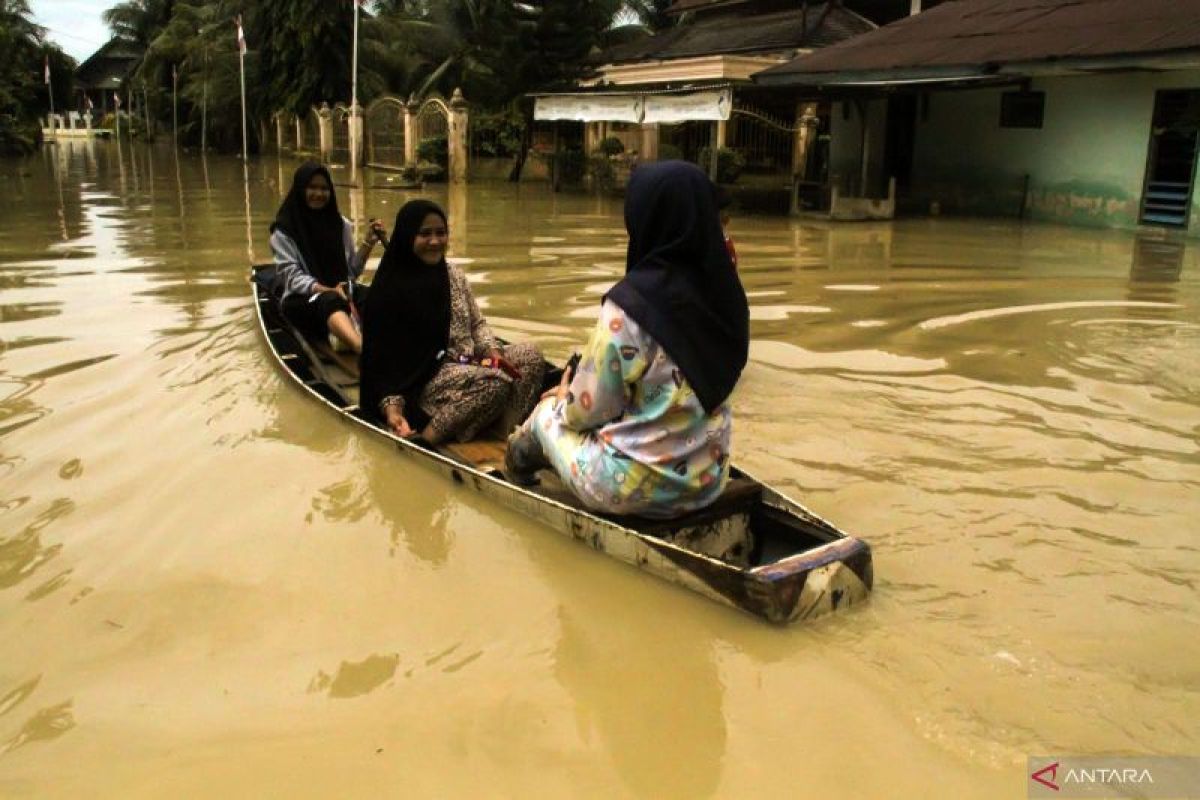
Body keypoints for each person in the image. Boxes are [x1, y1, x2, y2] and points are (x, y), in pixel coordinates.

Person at [506, 160, 749, 519]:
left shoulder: (629, 307)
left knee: (544, 417)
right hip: (707, 482)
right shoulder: (727, 297)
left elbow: (583, 412)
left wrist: (560, 400)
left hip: (629, 489)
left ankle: (518, 469)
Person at [359, 199, 545, 445]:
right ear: (408, 236)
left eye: (441, 233)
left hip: (470, 362)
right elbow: (382, 363)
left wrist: (493, 351)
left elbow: (477, 324)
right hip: (428, 379)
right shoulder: (390, 290)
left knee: (531, 356)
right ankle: (427, 440)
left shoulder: (454, 276)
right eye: (425, 234)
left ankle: (504, 434)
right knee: (495, 383)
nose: (435, 241)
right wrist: (393, 410)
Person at [269, 162, 384, 354]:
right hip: (304, 301)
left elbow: (351, 273)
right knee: (329, 299)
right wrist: (328, 290)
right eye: (312, 187)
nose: (319, 194)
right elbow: (292, 278)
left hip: (341, 294)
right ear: (300, 190)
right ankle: (361, 348)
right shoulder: (284, 232)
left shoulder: (341, 224)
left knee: (376, 295)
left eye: (324, 188)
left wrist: (368, 242)